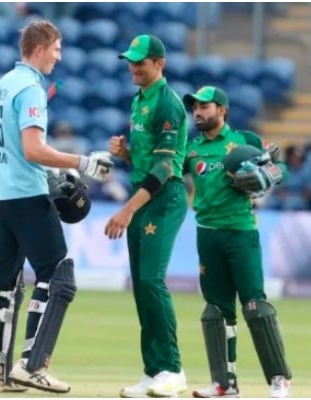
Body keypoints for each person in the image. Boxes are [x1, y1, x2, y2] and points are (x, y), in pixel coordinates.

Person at [0, 19, 112, 394]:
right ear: (39, 48)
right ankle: (32, 365)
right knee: (58, 277)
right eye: (56, 48)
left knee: (1, 288)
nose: (59, 55)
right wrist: (82, 163)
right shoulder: (30, 88)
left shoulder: (2, 84)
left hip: (1, 197)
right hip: (26, 194)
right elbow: (33, 149)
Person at [181, 86, 292, 398]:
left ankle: (279, 378)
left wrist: (268, 175)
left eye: (205, 107)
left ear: (222, 110)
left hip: (241, 232)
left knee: (255, 306)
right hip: (207, 233)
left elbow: (280, 166)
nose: (198, 113)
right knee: (216, 311)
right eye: (195, 108)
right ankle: (224, 383)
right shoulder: (191, 149)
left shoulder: (246, 141)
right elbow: (169, 177)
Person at [105, 34, 189, 398]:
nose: (133, 67)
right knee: (141, 285)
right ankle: (153, 370)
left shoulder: (168, 104)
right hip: (145, 194)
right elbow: (144, 164)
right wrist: (125, 154)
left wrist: (126, 209)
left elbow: (165, 167)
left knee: (152, 281)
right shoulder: (139, 100)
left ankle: (173, 369)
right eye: (131, 60)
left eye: (141, 61)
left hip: (164, 198)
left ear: (160, 64)